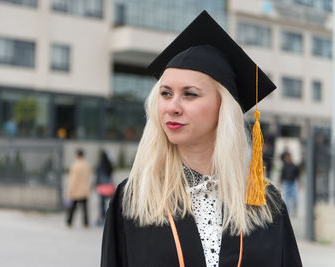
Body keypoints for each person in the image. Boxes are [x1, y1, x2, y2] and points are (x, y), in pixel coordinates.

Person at [101, 11, 302, 267]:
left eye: (190, 94)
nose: (172, 107)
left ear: (223, 107)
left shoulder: (264, 202)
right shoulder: (134, 198)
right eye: (166, 93)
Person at [66, 149, 92, 227]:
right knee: (84, 208)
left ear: (77, 155)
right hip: (84, 190)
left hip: (76, 190)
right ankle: (86, 223)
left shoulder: (75, 165)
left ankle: (69, 222)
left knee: (72, 208)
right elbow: (89, 178)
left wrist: (70, 190)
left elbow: (73, 180)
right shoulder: (86, 165)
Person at [95, 150, 114, 226]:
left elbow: (98, 177)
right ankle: (110, 217)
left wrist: (96, 185)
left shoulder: (100, 165)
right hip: (109, 186)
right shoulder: (109, 165)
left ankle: (103, 218)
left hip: (102, 187)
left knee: (102, 204)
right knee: (110, 203)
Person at [280, 152, 300, 216]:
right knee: (286, 199)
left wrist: (299, 183)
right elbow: (282, 175)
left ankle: (295, 209)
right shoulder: (284, 166)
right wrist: (280, 183)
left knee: (294, 198)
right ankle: (287, 212)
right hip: (286, 183)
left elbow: (298, 175)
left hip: (293, 183)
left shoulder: (294, 166)